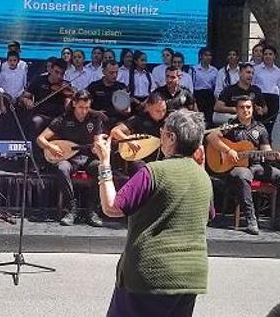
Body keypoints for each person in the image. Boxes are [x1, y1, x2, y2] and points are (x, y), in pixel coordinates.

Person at [94, 109, 212, 317]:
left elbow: (111, 207)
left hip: (150, 274)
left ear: (171, 137)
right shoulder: (204, 178)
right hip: (191, 277)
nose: (160, 134)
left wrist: (104, 162)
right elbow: (208, 215)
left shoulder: (154, 172)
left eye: (163, 131)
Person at [206, 96, 280, 235]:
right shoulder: (230, 126)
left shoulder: (260, 129)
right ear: (237, 109)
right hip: (238, 167)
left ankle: (279, 219)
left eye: (248, 107)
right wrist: (228, 150)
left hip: (257, 166)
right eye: (242, 107)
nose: (245, 110)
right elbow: (210, 137)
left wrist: (277, 155)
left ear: (253, 109)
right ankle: (250, 219)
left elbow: (267, 152)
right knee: (243, 175)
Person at [38, 90, 104, 227]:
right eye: (81, 107)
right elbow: (40, 139)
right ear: (74, 104)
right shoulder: (63, 119)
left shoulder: (95, 119)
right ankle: (71, 210)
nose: (84, 111)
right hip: (69, 159)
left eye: (87, 108)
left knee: (100, 168)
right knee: (62, 168)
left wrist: (97, 149)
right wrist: (51, 147)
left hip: (88, 158)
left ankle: (92, 211)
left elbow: (98, 142)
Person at [110, 93, 167, 166]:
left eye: (164, 110)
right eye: (158, 111)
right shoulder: (139, 119)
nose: (162, 114)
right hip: (142, 160)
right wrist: (129, 141)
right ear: (148, 107)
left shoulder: (168, 120)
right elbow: (114, 131)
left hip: (162, 160)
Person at [21, 59, 72, 137]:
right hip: (41, 115)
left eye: (62, 74)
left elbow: (67, 106)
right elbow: (25, 96)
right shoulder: (39, 80)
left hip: (58, 117)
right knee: (35, 121)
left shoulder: (65, 85)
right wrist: (28, 101)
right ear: (51, 70)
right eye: (56, 72)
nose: (58, 76)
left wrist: (71, 98)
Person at [86, 60, 128, 126]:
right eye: (111, 73)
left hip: (117, 121)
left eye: (116, 72)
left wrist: (122, 110)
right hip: (97, 120)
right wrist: (96, 113)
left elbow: (128, 110)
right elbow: (84, 106)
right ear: (103, 72)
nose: (115, 75)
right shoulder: (94, 86)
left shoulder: (122, 87)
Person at [254, 45, 280, 136]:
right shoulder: (256, 69)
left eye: (270, 54)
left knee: (269, 128)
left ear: (274, 56)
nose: (268, 56)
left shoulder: (278, 72)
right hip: (259, 99)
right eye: (265, 54)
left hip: (273, 100)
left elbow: (279, 87)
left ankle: (267, 147)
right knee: (257, 127)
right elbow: (252, 86)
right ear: (262, 56)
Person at [192, 47, 218, 127]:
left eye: (210, 55)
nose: (208, 57)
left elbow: (215, 86)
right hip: (198, 95)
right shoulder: (194, 69)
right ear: (200, 56)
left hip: (209, 96)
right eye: (205, 55)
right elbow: (191, 84)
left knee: (209, 119)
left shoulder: (214, 70)